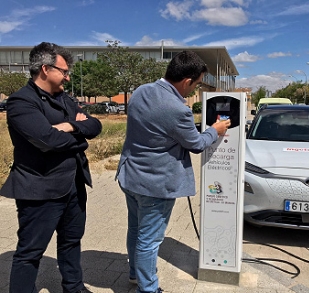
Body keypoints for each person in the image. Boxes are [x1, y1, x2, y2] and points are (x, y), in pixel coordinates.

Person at [116, 51, 230, 293]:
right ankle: (148, 289)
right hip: (156, 185)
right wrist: (215, 130)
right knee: (150, 239)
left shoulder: (141, 91)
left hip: (130, 175)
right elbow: (197, 144)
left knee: (135, 229)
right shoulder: (178, 109)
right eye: (196, 84)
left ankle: (135, 275)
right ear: (187, 81)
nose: (194, 90)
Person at [0, 42, 102, 293]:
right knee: (30, 252)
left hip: (74, 185)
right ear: (45, 69)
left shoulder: (65, 99)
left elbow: (95, 125)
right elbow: (47, 141)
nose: (68, 77)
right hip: (39, 189)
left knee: (71, 242)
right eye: (64, 71)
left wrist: (70, 126)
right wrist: (78, 133)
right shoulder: (21, 102)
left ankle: (74, 288)